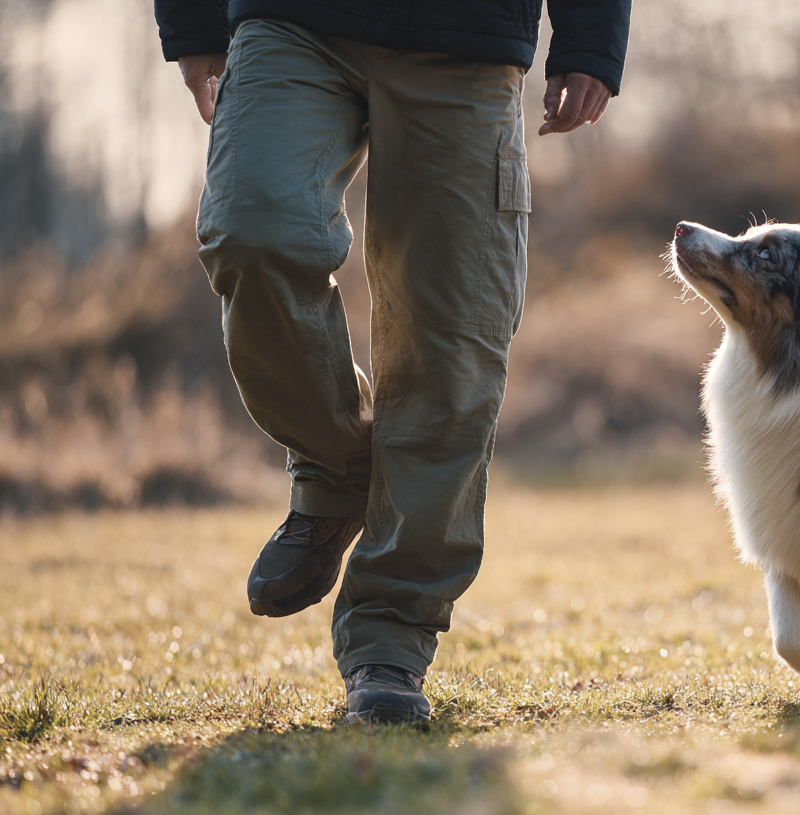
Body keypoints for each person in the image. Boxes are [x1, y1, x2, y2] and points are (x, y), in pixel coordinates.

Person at [153, 1, 631, 724]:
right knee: (253, 229)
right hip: (292, 20)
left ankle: (389, 644)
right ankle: (336, 463)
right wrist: (191, 26)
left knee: (452, 338)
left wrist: (591, 36)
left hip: (466, 35)